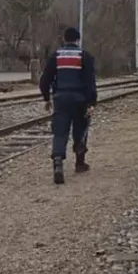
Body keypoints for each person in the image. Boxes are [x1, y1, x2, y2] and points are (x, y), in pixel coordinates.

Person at [39, 27, 97, 184]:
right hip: (80, 99)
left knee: (60, 131)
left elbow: (45, 79)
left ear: (64, 39)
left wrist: (46, 98)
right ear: (78, 40)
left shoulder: (56, 56)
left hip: (60, 99)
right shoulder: (84, 56)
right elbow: (90, 82)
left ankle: (57, 162)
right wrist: (92, 102)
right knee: (81, 129)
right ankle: (79, 163)